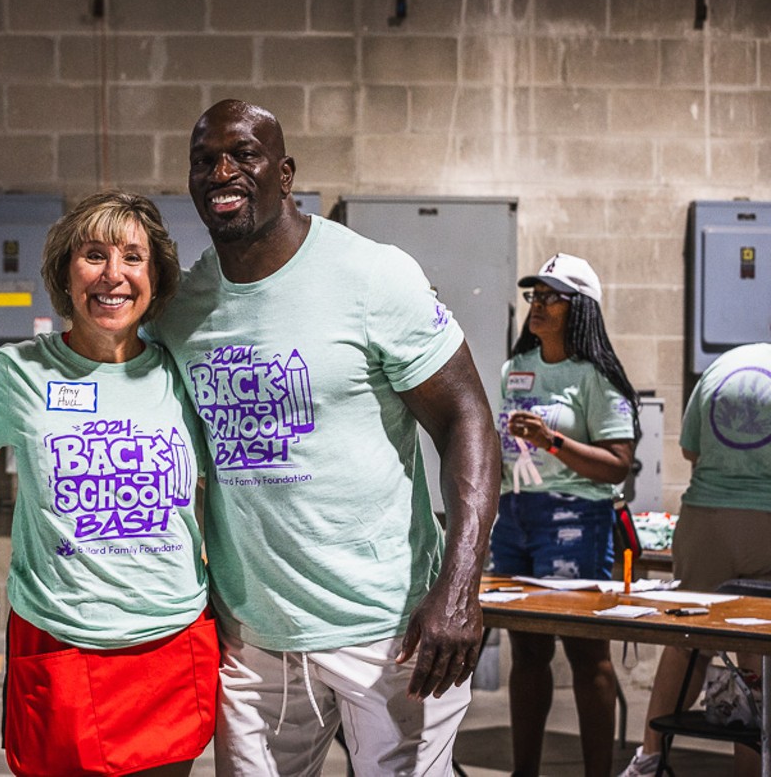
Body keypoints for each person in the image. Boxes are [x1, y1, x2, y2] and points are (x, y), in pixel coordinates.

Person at [148, 100, 499, 776]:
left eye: (244, 154)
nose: (222, 171)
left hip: (390, 631)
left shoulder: (372, 275)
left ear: (285, 174)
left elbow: (467, 419)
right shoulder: (182, 308)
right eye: (203, 160)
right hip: (254, 639)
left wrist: (460, 585)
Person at [0, 191, 217, 777]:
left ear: (155, 276)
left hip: (168, 641)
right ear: (64, 272)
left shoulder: (182, 372)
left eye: (133, 257)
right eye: (94, 255)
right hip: (62, 644)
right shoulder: (18, 373)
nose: (114, 275)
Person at [491, 253, 639, 777]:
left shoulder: (597, 377)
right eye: (535, 295)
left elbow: (619, 465)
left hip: (577, 520)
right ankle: (523, 771)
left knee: (584, 653)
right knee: (526, 651)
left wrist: (552, 440)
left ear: (581, 308)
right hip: (516, 518)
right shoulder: (516, 368)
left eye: (551, 296)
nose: (539, 304)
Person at [619, 341, 771, 777]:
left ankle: (648, 757)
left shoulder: (724, 364)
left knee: (686, 646)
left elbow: (689, 450)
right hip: (766, 521)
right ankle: (751, 769)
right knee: (756, 651)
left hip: (704, 520)